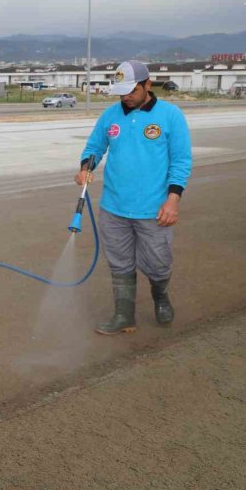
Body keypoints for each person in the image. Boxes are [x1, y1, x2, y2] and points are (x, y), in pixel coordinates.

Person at [75, 60, 192, 335]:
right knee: (119, 263)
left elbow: (181, 161)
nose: (125, 96)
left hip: (154, 209)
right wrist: (84, 169)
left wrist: (173, 199)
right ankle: (124, 315)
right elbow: (94, 147)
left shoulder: (170, 116)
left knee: (158, 263)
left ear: (147, 85)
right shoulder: (110, 116)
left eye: (131, 90)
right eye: (121, 91)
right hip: (114, 207)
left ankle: (161, 297)